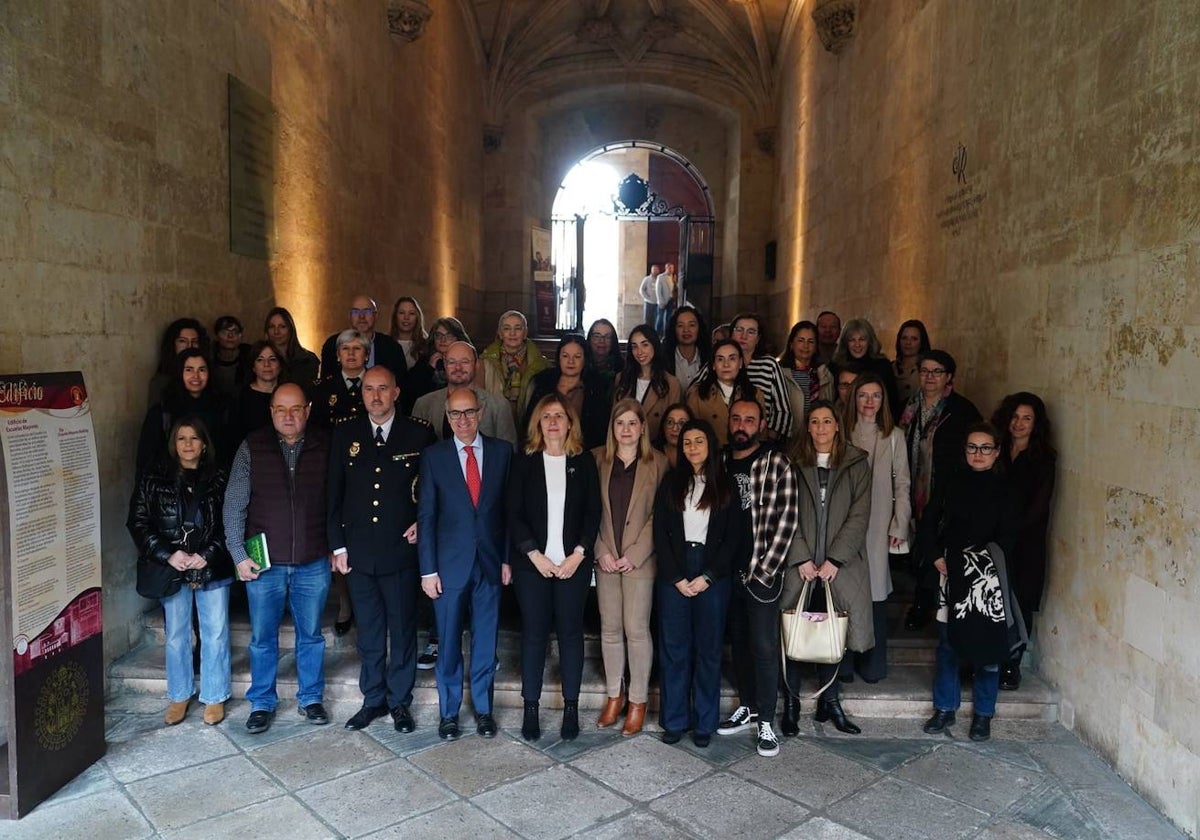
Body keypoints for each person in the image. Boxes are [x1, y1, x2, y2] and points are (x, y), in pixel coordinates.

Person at [328, 366, 436, 733]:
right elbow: (333, 494)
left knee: (403, 630)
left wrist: (425, 523)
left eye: (383, 389)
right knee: (370, 632)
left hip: (401, 552)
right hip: (359, 553)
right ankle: (373, 698)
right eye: (369, 389)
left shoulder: (419, 433)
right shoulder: (345, 433)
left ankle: (399, 701)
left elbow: (433, 490)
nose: (375, 396)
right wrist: (337, 545)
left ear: (396, 392)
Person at [223, 383, 332, 735]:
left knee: (311, 635)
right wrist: (238, 555)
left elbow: (339, 501)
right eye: (281, 409)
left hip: (313, 561)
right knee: (262, 637)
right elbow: (234, 506)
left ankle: (311, 697)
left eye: (296, 408)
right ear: (271, 411)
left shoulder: (324, 445)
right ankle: (262, 702)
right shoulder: (251, 447)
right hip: (263, 565)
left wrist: (338, 546)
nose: (288, 416)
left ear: (308, 410)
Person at [918, 422, 1023, 742]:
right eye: (972, 447)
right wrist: (936, 555)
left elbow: (1010, 537)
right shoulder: (951, 482)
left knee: (989, 650)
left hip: (986, 580)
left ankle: (983, 715)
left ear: (996, 452)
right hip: (951, 574)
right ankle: (945, 708)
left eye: (985, 448)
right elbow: (929, 520)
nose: (978, 454)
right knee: (948, 644)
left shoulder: (1007, 488)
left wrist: (980, 562)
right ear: (965, 451)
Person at [418, 388, 513, 740]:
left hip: (489, 565)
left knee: (486, 643)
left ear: (481, 411)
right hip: (448, 567)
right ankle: (449, 713)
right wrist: (428, 570)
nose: (463, 420)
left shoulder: (503, 453)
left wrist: (505, 559)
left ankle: (484, 711)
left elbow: (506, 513)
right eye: (455, 414)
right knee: (448, 642)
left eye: (469, 412)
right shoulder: (434, 456)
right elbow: (426, 516)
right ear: (446, 413)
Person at [127, 416, 232, 726]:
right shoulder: (154, 477)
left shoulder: (220, 477)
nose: (188, 444)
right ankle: (179, 693)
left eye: (194, 439)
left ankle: (214, 695)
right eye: (181, 439)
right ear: (173, 444)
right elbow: (138, 522)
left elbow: (234, 520)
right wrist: (168, 554)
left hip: (210, 567)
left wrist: (208, 554)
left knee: (215, 633)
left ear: (204, 444)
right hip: (173, 567)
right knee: (176, 634)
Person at [508, 394, 601, 742]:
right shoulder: (524, 461)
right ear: (537, 423)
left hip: (572, 565)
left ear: (569, 423)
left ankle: (571, 708)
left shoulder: (583, 462)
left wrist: (578, 554)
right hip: (533, 565)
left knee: (570, 634)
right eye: (546, 416)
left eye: (559, 416)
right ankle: (530, 706)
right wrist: (535, 555)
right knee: (533, 634)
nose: (552, 422)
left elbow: (594, 513)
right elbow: (513, 514)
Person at [782, 400, 872, 735]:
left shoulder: (856, 463)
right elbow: (784, 512)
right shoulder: (792, 462)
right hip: (800, 565)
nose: (820, 428)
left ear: (838, 425)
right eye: (815, 422)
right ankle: (790, 703)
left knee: (836, 631)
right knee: (793, 630)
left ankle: (830, 702)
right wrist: (801, 556)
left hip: (840, 566)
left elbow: (860, 515)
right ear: (808, 427)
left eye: (827, 421)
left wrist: (835, 559)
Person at [717, 397, 799, 758]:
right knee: (739, 645)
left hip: (760, 572)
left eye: (749, 420)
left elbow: (788, 519)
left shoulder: (775, 462)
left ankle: (767, 719)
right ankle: (748, 707)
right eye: (736, 418)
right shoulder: (719, 461)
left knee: (764, 648)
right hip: (726, 571)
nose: (741, 425)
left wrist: (765, 570)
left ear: (762, 424)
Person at [654, 419, 743, 748]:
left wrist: (708, 577)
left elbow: (733, 539)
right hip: (674, 572)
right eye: (687, 442)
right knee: (675, 649)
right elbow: (660, 533)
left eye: (699, 441)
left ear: (711, 446)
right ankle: (675, 720)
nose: (692, 447)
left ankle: (704, 722)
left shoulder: (726, 484)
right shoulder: (670, 484)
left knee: (708, 650)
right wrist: (676, 577)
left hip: (712, 573)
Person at [592, 399, 669, 736]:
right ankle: (614, 695)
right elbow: (586, 510)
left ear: (642, 428)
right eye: (619, 423)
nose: (626, 429)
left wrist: (636, 553)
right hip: (605, 557)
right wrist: (601, 549)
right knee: (609, 629)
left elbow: (661, 515)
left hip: (640, 559)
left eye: (632, 423)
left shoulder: (659, 463)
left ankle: (638, 701)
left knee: (636, 629)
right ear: (613, 428)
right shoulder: (597, 459)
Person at [899, 350, 982, 630]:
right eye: (924, 371)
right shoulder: (909, 406)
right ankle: (922, 604)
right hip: (913, 488)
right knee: (920, 544)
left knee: (936, 546)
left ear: (949, 376)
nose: (930, 377)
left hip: (946, 490)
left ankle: (931, 605)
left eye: (937, 371)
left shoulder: (961, 410)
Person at [842, 374, 910, 683]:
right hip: (842, 523)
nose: (869, 402)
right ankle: (841, 666)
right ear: (853, 398)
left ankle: (871, 665)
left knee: (875, 591)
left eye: (876, 396)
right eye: (863, 395)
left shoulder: (894, 435)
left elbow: (903, 483)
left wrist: (900, 522)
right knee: (843, 590)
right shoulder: (841, 432)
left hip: (879, 521)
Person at [992, 392, 1056, 690]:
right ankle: (986, 658)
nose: (1019, 423)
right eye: (1015, 416)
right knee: (991, 599)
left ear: (1036, 423)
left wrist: (1009, 531)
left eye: (1026, 418)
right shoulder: (994, 449)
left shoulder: (1043, 458)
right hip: (990, 538)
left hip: (1025, 543)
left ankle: (1011, 665)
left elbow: (1039, 506)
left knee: (1020, 601)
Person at [136, 348, 231, 475]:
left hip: (213, 484)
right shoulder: (163, 411)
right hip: (167, 485)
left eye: (202, 370)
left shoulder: (223, 408)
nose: (196, 376)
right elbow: (145, 459)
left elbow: (229, 452)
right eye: (189, 370)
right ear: (179, 373)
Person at [412, 341, 517, 446]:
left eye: (465, 362)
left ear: (477, 365)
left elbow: (509, 454)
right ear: (444, 365)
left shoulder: (499, 406)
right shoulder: (423, 404)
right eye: (452, 362)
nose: (458, 367)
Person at [522, 334, 610, 451]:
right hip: (543, 450)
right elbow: (529, 423)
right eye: (565, 356)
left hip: (583, 452)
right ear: (559, 358)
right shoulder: (543, 384)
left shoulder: (596, 388)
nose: (571, 361)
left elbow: (600, 430)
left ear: (585, 359)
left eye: (577, 356)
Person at [478, 310, 550, 424]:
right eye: (507, 328)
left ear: (525, 332)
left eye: (518, 328)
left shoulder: (541, 364)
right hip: (495, 426)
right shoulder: (484, 362)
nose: (512, 333)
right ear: (500, 333)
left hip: (530, 426)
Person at [612, 324, 682, 441]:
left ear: (654, 346)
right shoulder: (622, 378)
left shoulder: (671, 383)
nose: (639, 352)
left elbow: (673, 422)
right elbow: (615, 416)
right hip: (625, 444)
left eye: (645, 345)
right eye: (634, 346)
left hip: (655, 446)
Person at [730, 313, 793, 442]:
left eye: (751, 332)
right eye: (739, 330)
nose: (743, 336)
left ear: (758, 338)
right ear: (731, 334)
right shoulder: (719, 361)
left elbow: (783, 408)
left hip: (760, 438)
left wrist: (769, 438)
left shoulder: (768, 364)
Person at [685, 339, 760, 448]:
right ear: (713, 365)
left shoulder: (755, 394)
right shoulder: (697, 394)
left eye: (732, 358)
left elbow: (761, 435)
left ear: (740, 363)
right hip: (710, 458)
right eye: (720, 359)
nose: (726, 364)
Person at [319, 295, 408, 380]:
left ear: (375, 316)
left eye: (367, 311)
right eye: (356, 312)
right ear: (349, 316)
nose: (361, 316)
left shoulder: (392, 347)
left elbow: (400, 385)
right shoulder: (332, 345)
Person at [831, 318, 901, 421]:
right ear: (845, 343)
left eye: (862, 339)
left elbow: (892, 402)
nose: (857, 344)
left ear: (870, 341)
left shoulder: (882, 366)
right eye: (852, 340)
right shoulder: (835, 366)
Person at [402, 316, 471, 414]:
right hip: (429, 412)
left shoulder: (468, 361)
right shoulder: (424, 361)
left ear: (458, 338)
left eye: (449, 336)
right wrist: (429, 369)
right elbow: (410, 393)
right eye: (438, 335)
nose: (443, 340)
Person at [310, 330, 369, 432]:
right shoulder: (322, 388)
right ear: (338, 355)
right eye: (345, 348)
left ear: (367, 355)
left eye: (357, 348)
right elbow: (315, 428)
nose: (351, 353)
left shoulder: (380, 384)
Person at [231, 340, 286, 445]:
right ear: (253, 367)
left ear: (280, 365)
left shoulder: (290, 395)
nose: (266, 364)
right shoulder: (240, 396)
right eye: (260, 360)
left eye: (272, 359)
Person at [148, 318, 208, 405]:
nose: (189, 346)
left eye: (194, 342)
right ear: (173, 344)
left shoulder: (208, 374)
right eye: (182, 341)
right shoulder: (161, 381)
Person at [264, 306, 320, 388]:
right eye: (272, 327)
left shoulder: (308, 360)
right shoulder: (260, 360)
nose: (276, 332)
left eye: (282, 326)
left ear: (291, 329)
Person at [779, 320, 824, 422]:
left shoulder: (824, 374)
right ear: (791, 344)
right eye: (801, 340)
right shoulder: (779, 372)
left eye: (811, 341)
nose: (805, 346)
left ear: (816, 347)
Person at [663, 305, 710, 394]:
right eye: (680, 326)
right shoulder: (664, 358)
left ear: (699, 328)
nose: (686, 330)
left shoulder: (708, 357)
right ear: (674, 329)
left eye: (692, 325)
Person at [210, 315, 252, 400]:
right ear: (217, 335)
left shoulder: (250, 355)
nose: (230, 336)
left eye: (235, 331)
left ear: (240, 336)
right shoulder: (209, 357)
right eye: (225, 332)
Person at [894, 319, 931, 408]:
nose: (908, 343)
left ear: (922, 342)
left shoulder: (929, 369)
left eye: (914, 339)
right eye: (904, 338)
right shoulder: (889, 368)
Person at [388, 295, 428, 371]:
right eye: (402, 313)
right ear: (395, 316)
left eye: (412, 313)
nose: (406, 317)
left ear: (417, 318)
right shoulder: (385, 344)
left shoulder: (426, 346)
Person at [654, 403, 692, 469]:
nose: (675, 428)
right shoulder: (651, 453)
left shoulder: (696, 453)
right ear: (663, 426)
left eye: (682, 423)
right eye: (670, 422)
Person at [586, 319, 623, 383]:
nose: (602, 341)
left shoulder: (622, 368)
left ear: (613, 341)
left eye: (607, 337)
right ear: (590, 339)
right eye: (597, 336)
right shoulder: (580, 365)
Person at [654, 263, 676, 336]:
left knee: (668, 318)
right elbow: (658, 290)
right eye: (669, 268)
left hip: (671, 299)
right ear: (666, 268)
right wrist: (660, 301)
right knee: (660, 318)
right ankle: (657, 334)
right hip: (662, 300)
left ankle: (666, 334)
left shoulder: (673, 277)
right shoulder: (661, 277)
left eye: (672, 268)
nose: (671, 270)